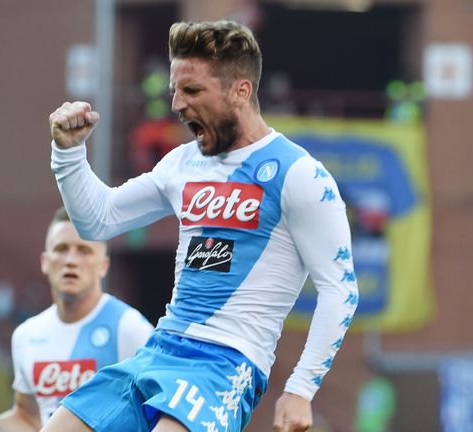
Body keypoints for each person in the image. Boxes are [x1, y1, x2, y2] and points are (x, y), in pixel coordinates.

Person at [45, 20, 359, 432]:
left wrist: (301, 388)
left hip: (226, 365)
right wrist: (68, 154)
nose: (176, 104)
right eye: (174, 90)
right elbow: (98, 220)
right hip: (160, 349)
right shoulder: (182, 162)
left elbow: (341, 290)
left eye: (192, 91)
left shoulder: (300, 174)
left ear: (241, 91)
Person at [0, 207, 154, 431]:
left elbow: (163, 406)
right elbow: (29, 419)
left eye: (84, 250)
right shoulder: (26, 335)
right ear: (45, 261)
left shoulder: (129, 327)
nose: (71, 260)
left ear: (103, 266)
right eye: (61, 249)